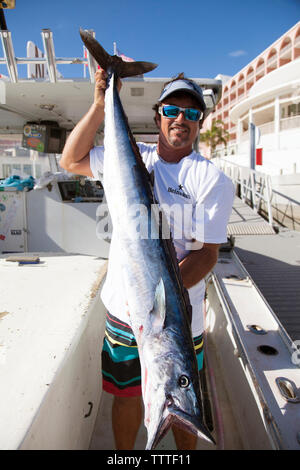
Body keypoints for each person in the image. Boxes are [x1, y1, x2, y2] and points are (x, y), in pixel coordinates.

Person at [60, 69, 234, 450]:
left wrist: (161, 298)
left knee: (184, 400)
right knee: (125, 396)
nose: (181, 120)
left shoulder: (212, 180)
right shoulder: (132, 158)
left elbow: (206, 256)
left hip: (182, 320)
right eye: (173, 110)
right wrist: (100, 102)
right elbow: (71, 160)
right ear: (158, 116)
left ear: (200, 124)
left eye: (192, 115)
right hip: (124, 310)